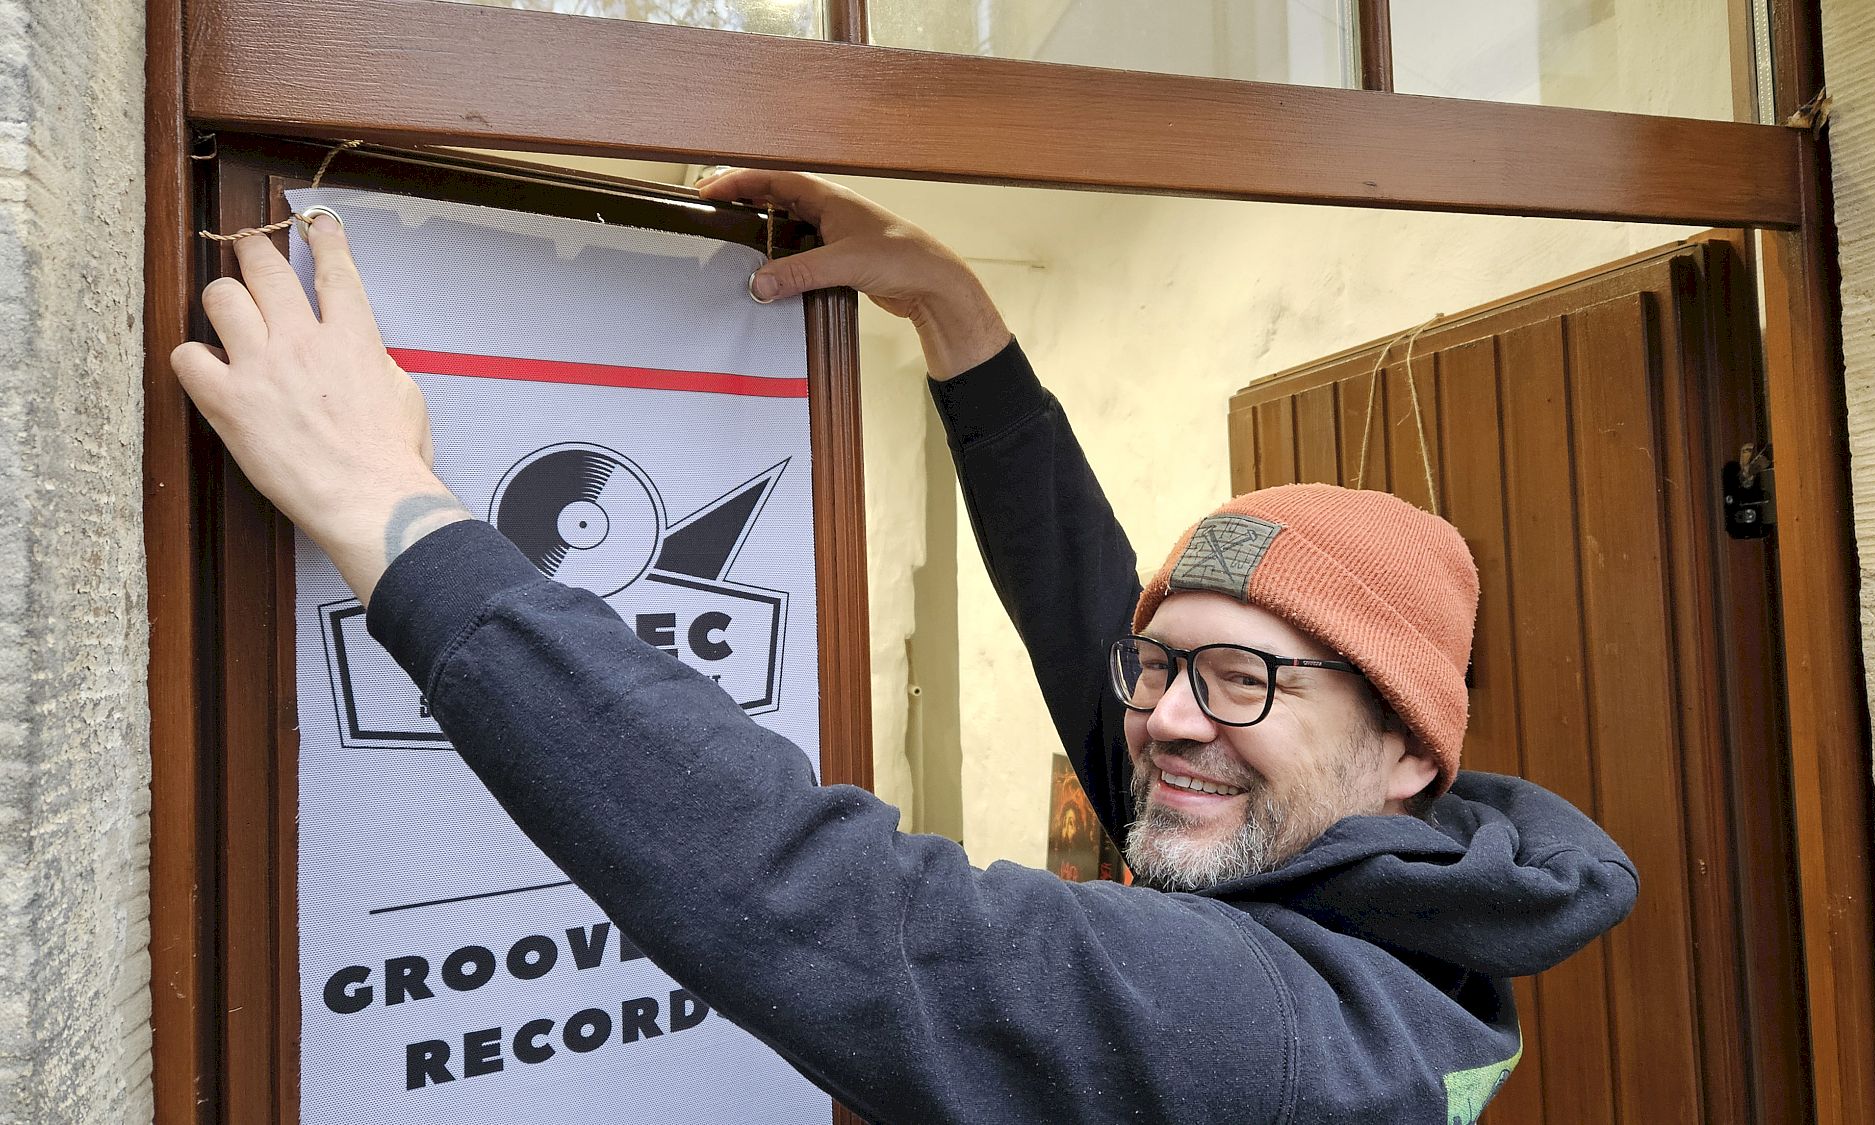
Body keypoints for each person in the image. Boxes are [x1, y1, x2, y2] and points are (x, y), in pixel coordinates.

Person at [171, 171, 1637, 1124]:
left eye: (1246, 675)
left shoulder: (1264, 1033)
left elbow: (820, 894)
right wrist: (956, 317)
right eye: (1163, 665)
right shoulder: (1413, 905)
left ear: (1404, 747)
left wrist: (398, 518)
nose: (1172, 719)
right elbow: (1104, 629)